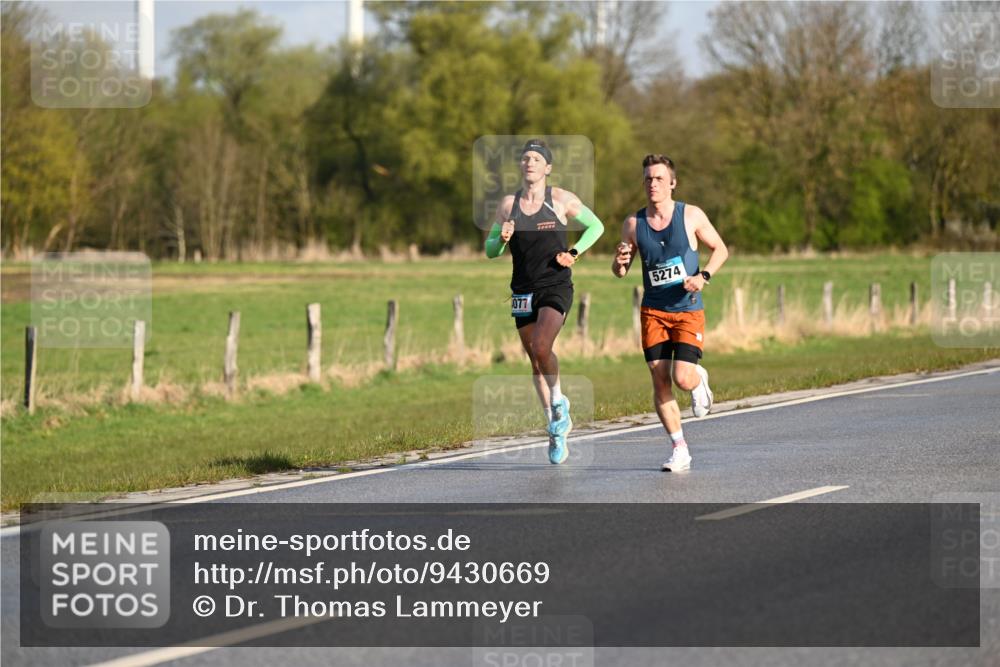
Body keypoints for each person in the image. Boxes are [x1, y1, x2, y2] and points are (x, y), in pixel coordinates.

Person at [484, 139, 605, 464]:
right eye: (526, 158)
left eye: (537, 158)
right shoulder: (508, 205)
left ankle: (559, 401)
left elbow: (596, 226)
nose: (530, 163)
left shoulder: (560, 199)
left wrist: (574, 252)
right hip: (522, 290)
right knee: (536, 363)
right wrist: (501, 239)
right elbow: (490, 250)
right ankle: (555, 428)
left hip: (555, 285)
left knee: (541, 346)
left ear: (547, 167)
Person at [612, 154, 729, 471]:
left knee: (682, 378)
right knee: (659, 377)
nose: (653, 184)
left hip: (687, 309)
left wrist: (703, 276)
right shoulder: (633, 224)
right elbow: (620, 271)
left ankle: (698, 379)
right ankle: (680, 448)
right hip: (654, 311)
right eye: (648, 179)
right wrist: (619, 261)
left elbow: (721, 249)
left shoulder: (690, 215)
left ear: (672, 183)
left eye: (660, 178)